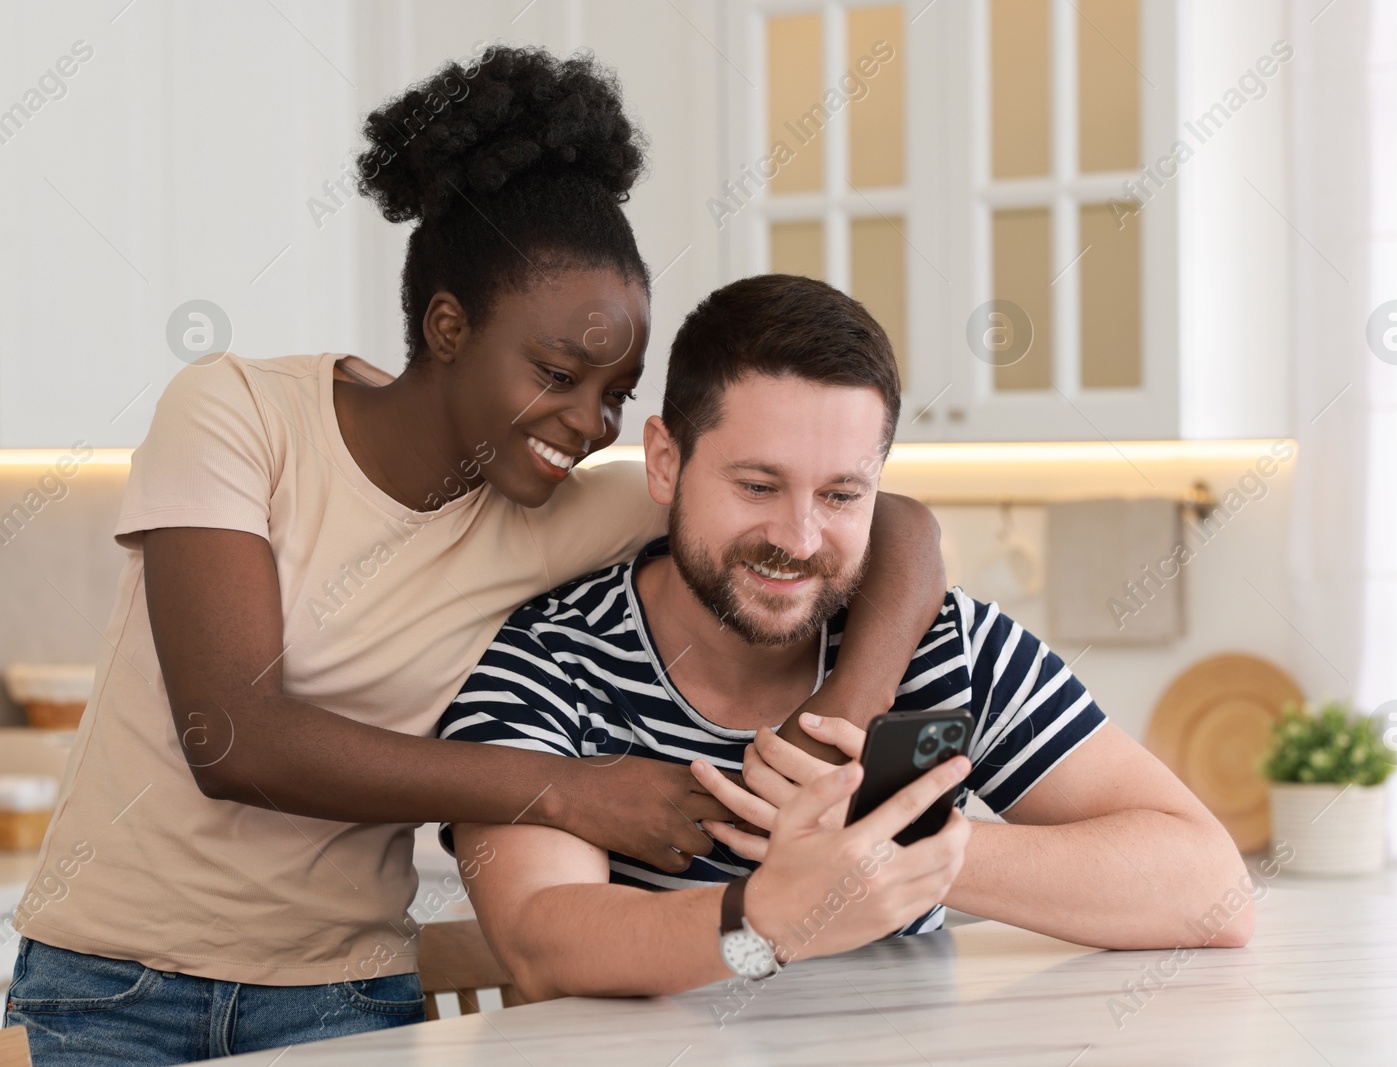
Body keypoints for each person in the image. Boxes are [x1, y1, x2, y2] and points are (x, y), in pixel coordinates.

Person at [3, 49, 944, 1066]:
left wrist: (840, 717)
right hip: (113, 985)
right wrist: (568, 787)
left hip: (345, 987)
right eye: (555, 373)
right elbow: (231, 734)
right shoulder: (238, 413)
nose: (587, 422)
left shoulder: (562, 509)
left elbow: (900, 523)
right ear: (447, 325)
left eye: (615, 391)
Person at [439, 274, 1255, 1004]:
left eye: (840, 494)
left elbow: (1211, 885)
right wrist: (770, 916)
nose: (798, 538)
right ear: (664, 461)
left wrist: (904, 847)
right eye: (758, 484)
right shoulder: (553, 660)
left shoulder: (947, 643)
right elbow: (545, 938)